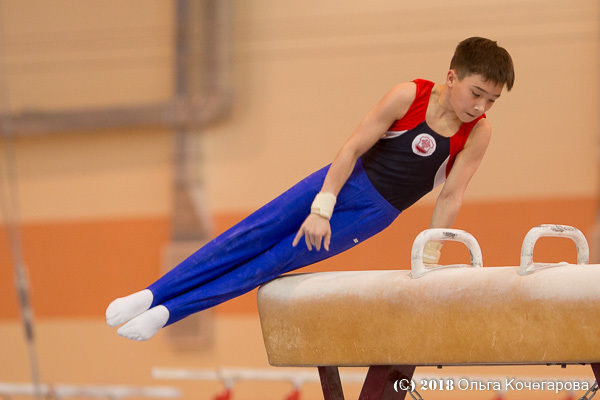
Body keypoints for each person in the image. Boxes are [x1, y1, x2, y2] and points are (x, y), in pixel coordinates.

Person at [106, 37, 515, 341]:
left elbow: (450, 195)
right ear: (452, 76)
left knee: (268, 265)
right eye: (476, 93)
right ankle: (150, 294)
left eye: (492, 100)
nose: (480, 107)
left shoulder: (477, 133)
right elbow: (353, 147)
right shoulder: (409, 95)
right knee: (247, 237)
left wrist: (430, 255)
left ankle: (167, 314)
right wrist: (322, 207)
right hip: (337, 181)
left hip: (374, 213)